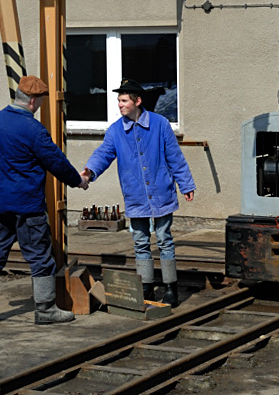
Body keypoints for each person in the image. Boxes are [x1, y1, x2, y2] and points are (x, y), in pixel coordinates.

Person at [0, 75, 90, 327]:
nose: (40, 105)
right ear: (32, 100)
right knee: (40, 256)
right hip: (26, 207)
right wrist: (78, 181)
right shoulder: (33, 130)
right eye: (40, 100)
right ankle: (45, 310)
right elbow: (56, 162)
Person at [82, 78, 195, 306]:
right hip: (135, 195)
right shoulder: (115, 131)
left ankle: (170, 287)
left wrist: (186, 184)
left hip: (161, 191)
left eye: (124, 101)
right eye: (119, 101)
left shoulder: (160, 124)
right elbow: (103, 153)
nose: (120, 105)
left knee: (164, 239)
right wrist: (89, 171)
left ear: (137, 101)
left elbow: (175, 157)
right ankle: (146, 288)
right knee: (140, 242)